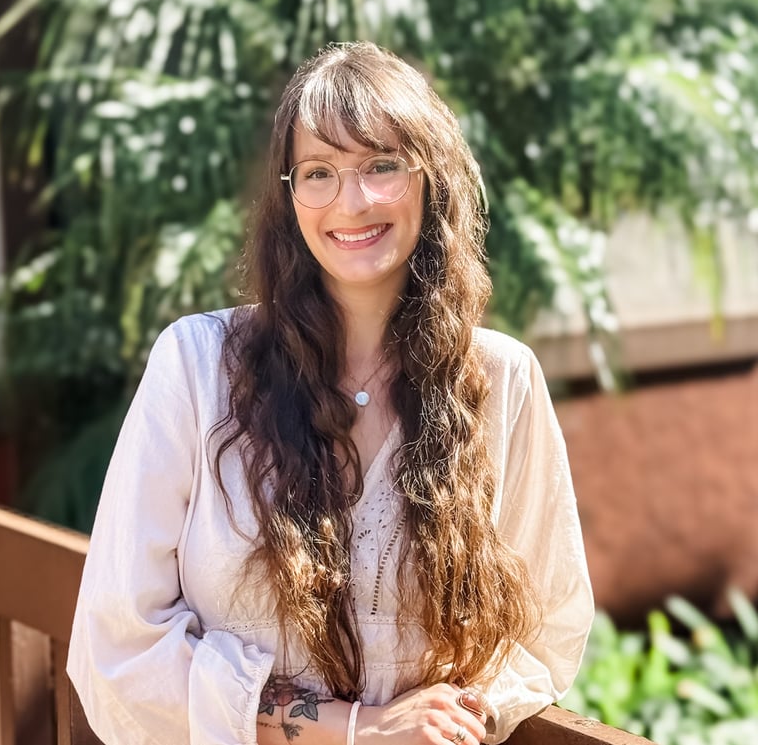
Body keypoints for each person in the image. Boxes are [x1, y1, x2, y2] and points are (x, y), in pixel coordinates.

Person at [67, 41, 594, 745]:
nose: (352, 201)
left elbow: (547, 628)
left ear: (430, 179)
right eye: (318, 172)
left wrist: (453, 719)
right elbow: (117, 648)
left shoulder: (503, 380)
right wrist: (359, 729)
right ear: (290, 198)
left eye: (381, 165)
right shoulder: (196, 365)